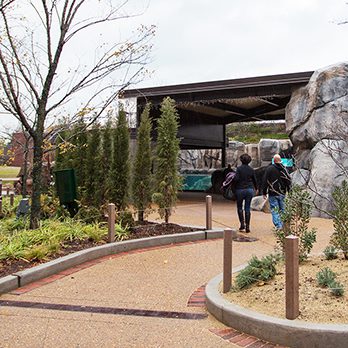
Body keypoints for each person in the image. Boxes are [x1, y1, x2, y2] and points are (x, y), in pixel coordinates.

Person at [262, 154, 291, 229]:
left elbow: (265, 181)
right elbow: (288, 181)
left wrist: (264, 192)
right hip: (282, 192)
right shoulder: (284, 169)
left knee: (275, 209)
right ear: (280, 160)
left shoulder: (269, 169)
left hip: (273, 192)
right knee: (283, 209)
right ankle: (284, 224)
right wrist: (289, 191)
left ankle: (278, 225)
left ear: (273, 161)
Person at [234, 153, 257, 233]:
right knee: (247, 207)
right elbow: (255, 180)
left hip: (240, 189)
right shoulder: (251, 169)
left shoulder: (239, 169)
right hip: (249, 189)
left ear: (241, 160)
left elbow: (236, 179)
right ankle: (248, 226)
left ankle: (242, 224)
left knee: (239, 207)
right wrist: (256, 188)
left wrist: (234, 187)